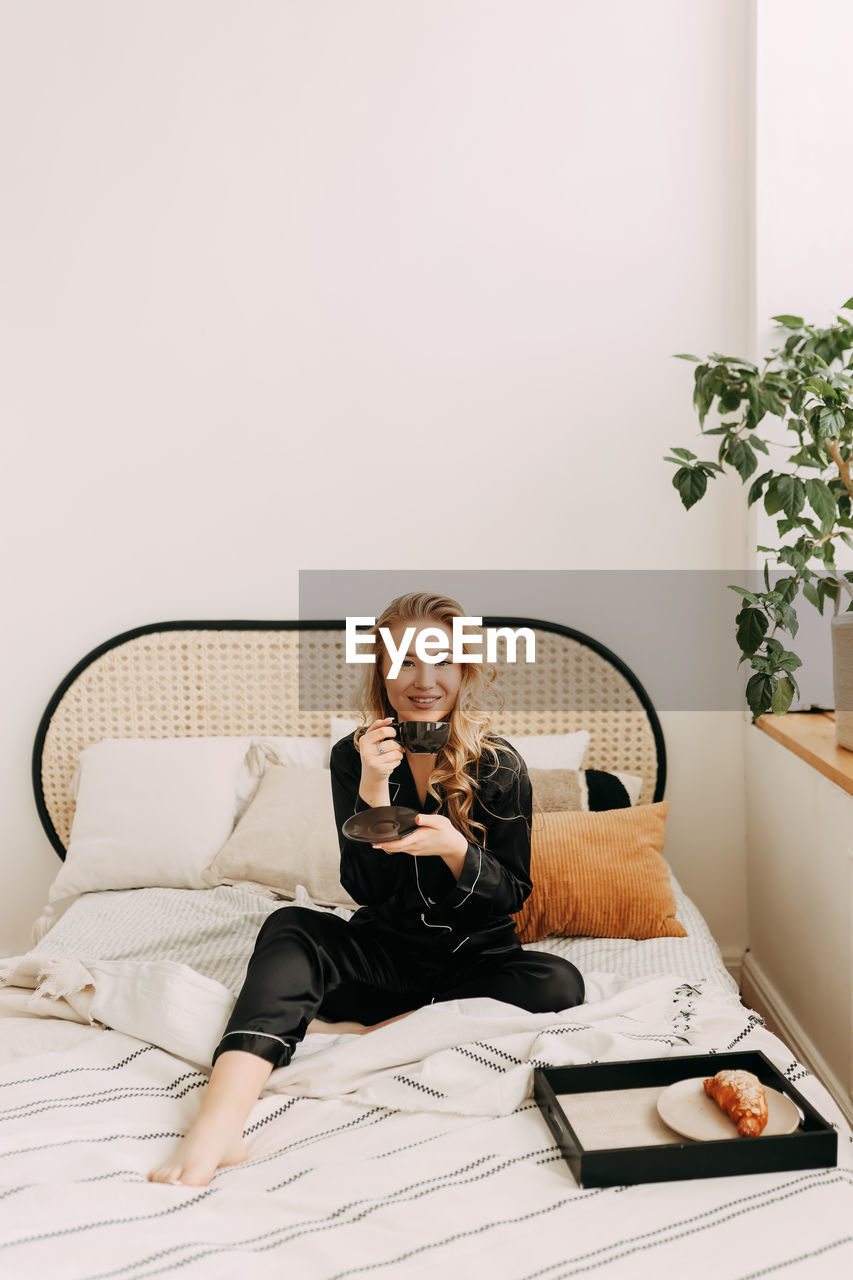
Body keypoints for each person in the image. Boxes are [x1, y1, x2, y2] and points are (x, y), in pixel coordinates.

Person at [148, 592, 584, 1186]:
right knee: (291, 927)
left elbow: (512, 893)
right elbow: (364, 888)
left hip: (475, 963)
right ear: (381, 670)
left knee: (561, 981)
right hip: (387, 957)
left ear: (463, 670)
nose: (423, 679)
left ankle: (374, 1031)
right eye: (404, 661)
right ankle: (218, 1123)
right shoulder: (353, 758)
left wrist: (455, 850)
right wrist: (375, 790)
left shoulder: (499, 765)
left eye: (441, 661)